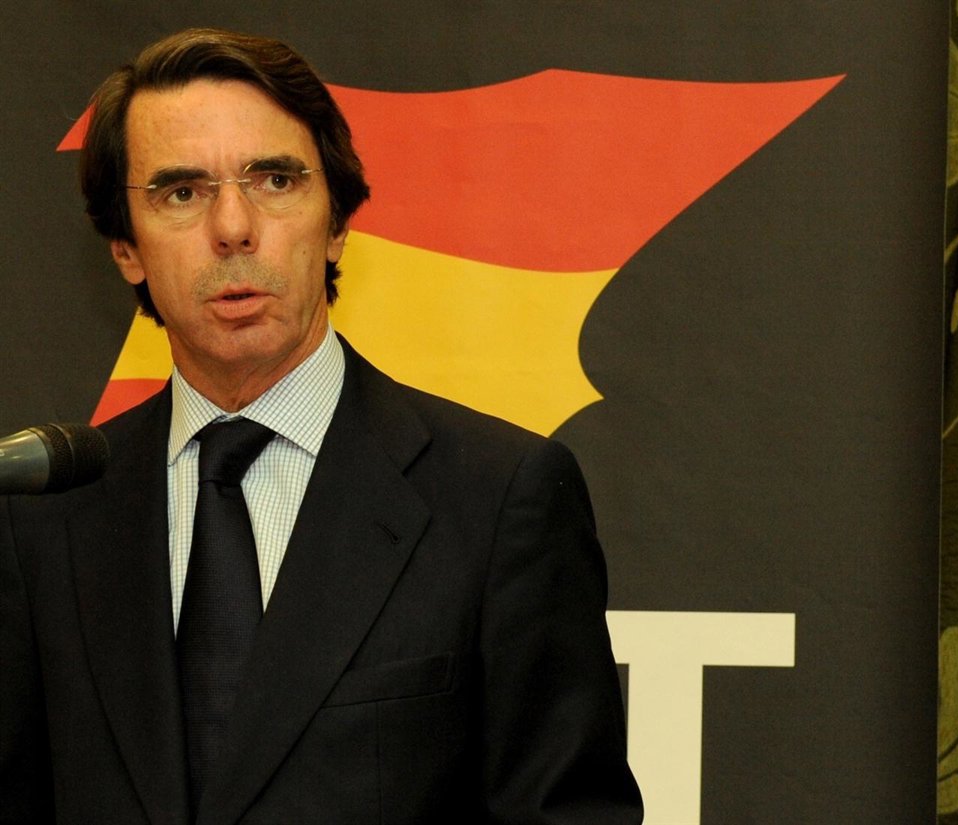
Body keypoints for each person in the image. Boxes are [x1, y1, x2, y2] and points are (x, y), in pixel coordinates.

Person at [0, 28, 641, 825]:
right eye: (182, 192)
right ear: (125, 246)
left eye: (274, 180)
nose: (233, 226)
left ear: (336, 221)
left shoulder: (500, 498)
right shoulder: (47, 514)